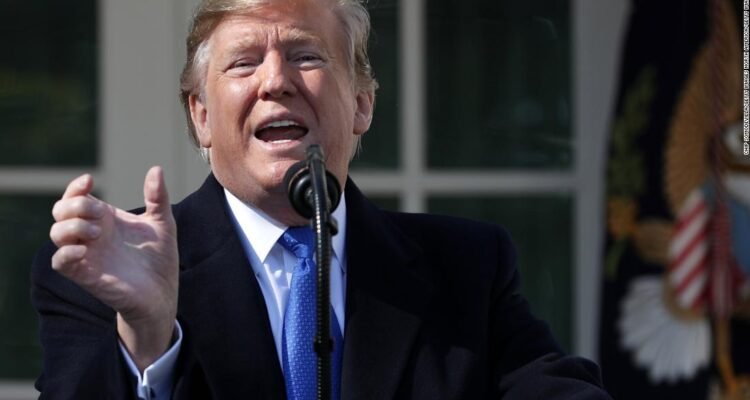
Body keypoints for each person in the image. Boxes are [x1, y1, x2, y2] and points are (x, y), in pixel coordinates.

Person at [31, 0, 612, 398]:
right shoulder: (107, 275)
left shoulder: (467, 266)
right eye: (244, 63)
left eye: (306, 56)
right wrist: (146, 335)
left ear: (362, 103)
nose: (275, 81)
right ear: (201, 116)